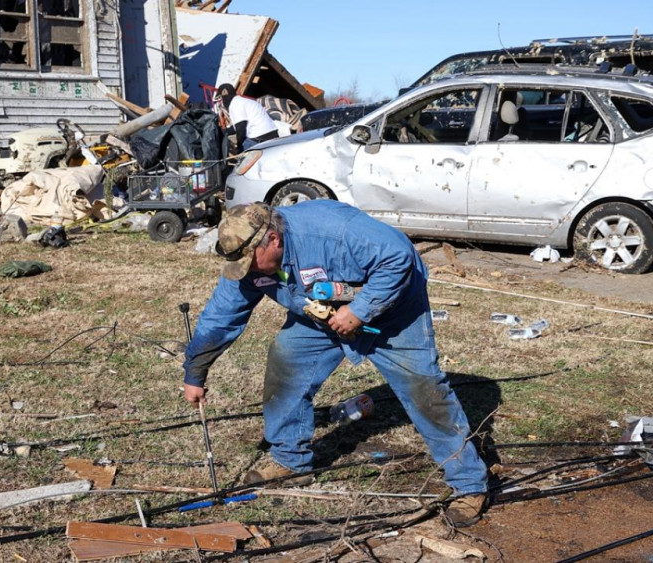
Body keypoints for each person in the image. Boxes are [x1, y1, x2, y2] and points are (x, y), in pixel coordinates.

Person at [182, 200, 490, 526]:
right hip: (318, 315)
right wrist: (195, 371)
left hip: (393, 311)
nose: (248, 271)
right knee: (286, 362)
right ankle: (290, 461)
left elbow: (398, 257)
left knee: (423, 388)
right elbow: (220, 317)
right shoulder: (249, 264)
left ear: (272, 238)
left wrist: (360, 311)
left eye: (250, 262)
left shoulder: (334, 231)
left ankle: (469, 484)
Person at [215, 83, 279, 153]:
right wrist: (224, 131)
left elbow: (241, 129)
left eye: (220, 99)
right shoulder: (245, 101)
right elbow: (237, 127)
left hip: (260, 138)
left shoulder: (235, 104)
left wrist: (238, 146)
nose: (221, 102)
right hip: (273, 134)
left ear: (224, 97)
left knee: (241, 151)